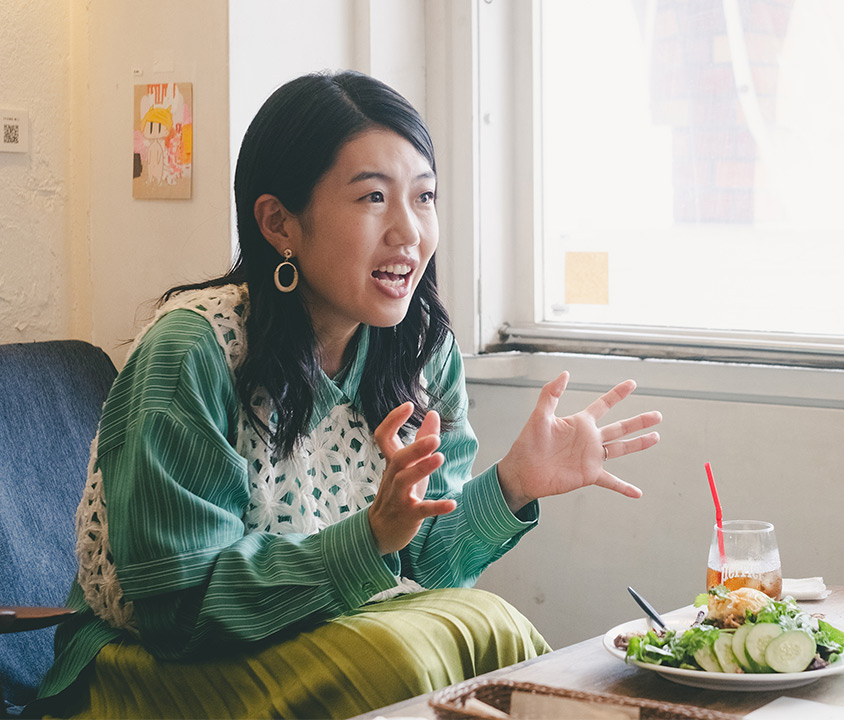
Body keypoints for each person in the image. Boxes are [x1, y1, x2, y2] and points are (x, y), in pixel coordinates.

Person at [33, 71, 661, 719]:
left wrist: (513, 484)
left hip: (333, 632)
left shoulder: (422, 350)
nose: (409, 232)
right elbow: (179, 612)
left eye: (424, 197)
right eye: (372, 199)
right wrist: (368, 539)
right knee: (402, 661)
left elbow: (431, 566)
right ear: (280, 222)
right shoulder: (194, 351)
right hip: (144, 671)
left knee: (491, 623)